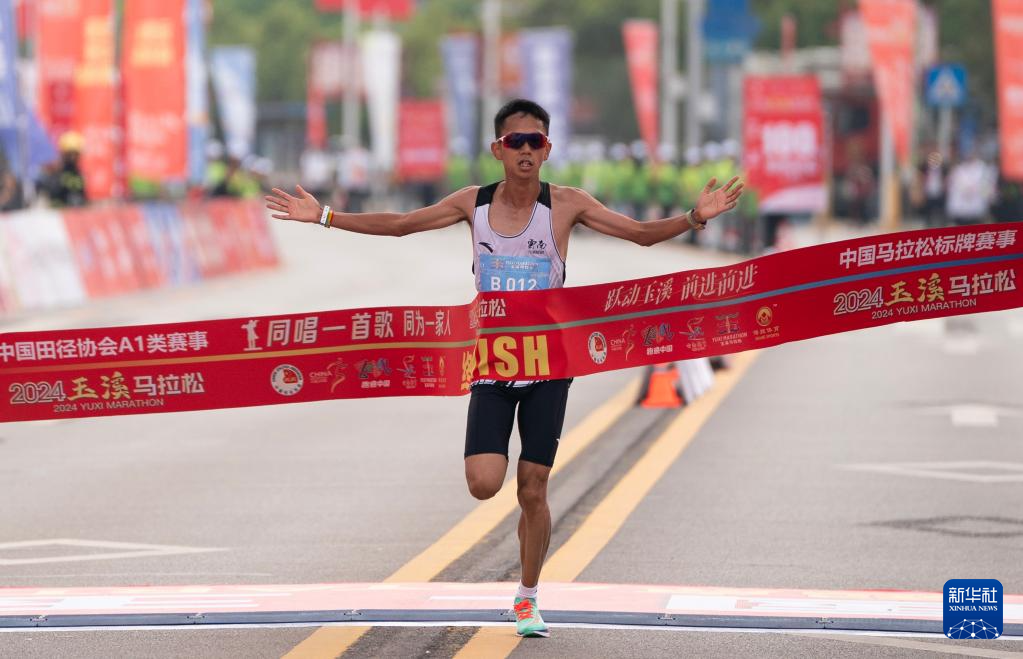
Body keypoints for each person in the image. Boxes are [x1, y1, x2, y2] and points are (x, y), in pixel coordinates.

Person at [265, 99, 743, 639]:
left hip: (549, 366)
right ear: (498, 149)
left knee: (533, 488)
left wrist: (695, 217)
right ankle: (522, 572)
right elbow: (400, 225)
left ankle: (528, 596)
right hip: (492, 365)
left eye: (535, 141)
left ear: (548, 149)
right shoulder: (472, 203)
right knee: (483, 483)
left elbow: (637, 233)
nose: (526, 151)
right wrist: (325, 216)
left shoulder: (566, 204)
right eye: (516, 142)